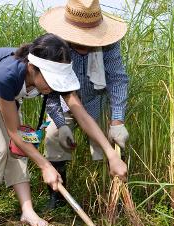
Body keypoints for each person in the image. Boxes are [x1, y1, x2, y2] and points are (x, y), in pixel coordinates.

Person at [0, 33, 127, 226]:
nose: (54, 86)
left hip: (3, 96)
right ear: (32, 68)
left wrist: (111, 154)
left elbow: (82, 114)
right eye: (51, 80)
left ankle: (27, 212)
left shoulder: (48, 75)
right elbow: (13, 132)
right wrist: (45, 166)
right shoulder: (8, 75)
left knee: (16, 151)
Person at [39, 0, 130, 209]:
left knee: (112, 145)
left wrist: (117, 121)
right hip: (63, 102)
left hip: (96, 100)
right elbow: (50, 90)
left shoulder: (109, 44)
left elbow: (117, 79)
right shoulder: (53, 45)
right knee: (54, 138)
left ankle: (116, 199)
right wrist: (61, 124)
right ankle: (57, 198)